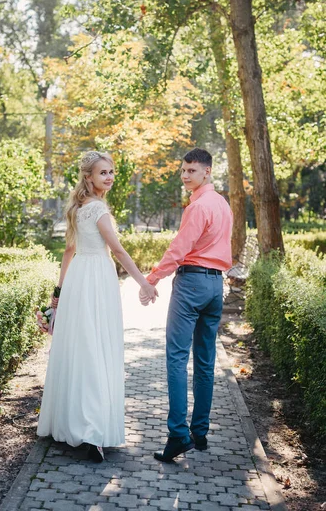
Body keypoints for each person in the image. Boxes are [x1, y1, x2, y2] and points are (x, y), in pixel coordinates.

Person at [37, 150, 158, 462]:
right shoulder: (99, 208)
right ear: (88, 177)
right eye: (103, 172)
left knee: (80, 347)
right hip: (97, 280)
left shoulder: (78, 207)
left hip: (79, 278)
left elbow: (68, 252)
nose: (109, 177)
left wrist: (59, 293)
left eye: (112, 171)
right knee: (96, 349)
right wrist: (143, 282)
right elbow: (117, 250)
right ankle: (93, 431)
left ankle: (70, 422)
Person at [140, 147, 233, 462]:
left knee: (177, 359)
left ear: (207, 171)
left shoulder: (198, 207)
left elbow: (179, 249)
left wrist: (151, 279)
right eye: (183, 170)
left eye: (191, 170)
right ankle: (200, 434)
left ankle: (179, 436)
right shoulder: (222, 204)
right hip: (216, 285)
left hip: (192, 283)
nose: (184, 175)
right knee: (206, 362)